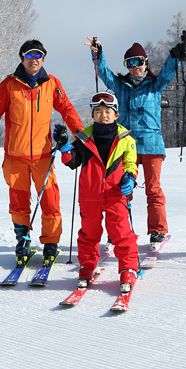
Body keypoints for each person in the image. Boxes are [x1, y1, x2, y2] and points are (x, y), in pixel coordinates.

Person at [0, 40, 84, 267]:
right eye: (29, 55)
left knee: (51, 201)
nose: (34, 59)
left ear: (43, 59)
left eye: (39, 55)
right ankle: (22, 240)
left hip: (43, 155)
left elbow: (67, 109)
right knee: (18, 203)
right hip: (16, 157)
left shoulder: (52, 84)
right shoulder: (8, 85)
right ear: (22, 58)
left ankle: (51, 243)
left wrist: (81, 133)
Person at [85, 36, 186, 249]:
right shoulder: (120, 86)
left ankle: (157, 232)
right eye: (130, 63)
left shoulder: (155, 85)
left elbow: (169, 70)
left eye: (138, 62)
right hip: (124, 145)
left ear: (146, 62)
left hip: (151, 144)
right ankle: (118, 231)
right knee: (121, 190)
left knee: (153, 189)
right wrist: (98, 54)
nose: (135, 67)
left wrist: (176, 54)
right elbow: (103, 73)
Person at [54, 91, 139, 292]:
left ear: (116, 114)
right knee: (89, 234)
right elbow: (72, 161)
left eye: (108, 111)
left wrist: (130, 178)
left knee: (121, 233)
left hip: (115, 194)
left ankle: (128, 267)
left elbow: (131, 163)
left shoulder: (126, 138)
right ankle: (87, 266)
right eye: (98, 111)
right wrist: (65, 147)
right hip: (89, 195)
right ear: (92, 115)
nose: (103, 115)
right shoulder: (84, 138)